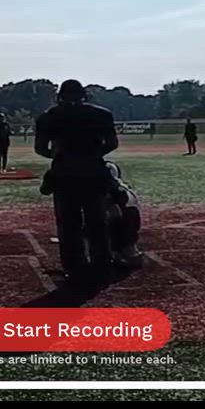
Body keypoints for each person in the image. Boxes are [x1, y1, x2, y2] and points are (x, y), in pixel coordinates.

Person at [35, 79, 119, 282]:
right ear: (84, 95)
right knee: (97, 221)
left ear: (60, 96)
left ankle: (74, 267)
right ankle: (101, 264)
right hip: (93, 173)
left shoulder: (48, 117)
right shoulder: (101, 114)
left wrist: (60, 156)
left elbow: (40, 148)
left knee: (68, 224)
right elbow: (112, 143)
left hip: (64, 175)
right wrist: (92, 155)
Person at [104, 161, 143, 268]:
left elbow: (115, 213)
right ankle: (130, 250)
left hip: (124, 220)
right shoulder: (124, 187)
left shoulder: (111, 190)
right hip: (132, 219)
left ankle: (119, 252)